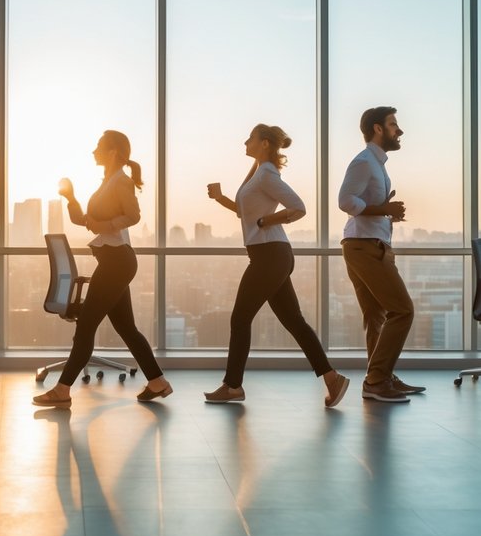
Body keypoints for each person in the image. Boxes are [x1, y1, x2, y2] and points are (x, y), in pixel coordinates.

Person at [204, 124, 350, 407]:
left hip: (270, 255)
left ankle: (233, 386)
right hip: (269, 255)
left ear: (265, 144)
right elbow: (244, 211)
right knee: (294, 321)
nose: (245, 141)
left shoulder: (267, 174)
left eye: (251, 138)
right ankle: (332, 378)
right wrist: (220, 198)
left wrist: (268, 221)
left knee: (240, 318)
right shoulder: (258, 172)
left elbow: (298, 206)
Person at [33, 130, 171, 408]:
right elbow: (85, 220)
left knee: (85, 327)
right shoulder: (109, 181)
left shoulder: (121, 181)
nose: (93, 151)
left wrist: (103, 225)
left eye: (98, 147)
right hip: (112, 262)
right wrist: (71, 198)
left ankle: (62, 390)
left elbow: (133, 216)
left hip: (117, 263)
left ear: (113, 152)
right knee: (127, 328)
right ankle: (157, 382)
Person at [337, 106, 420, 403]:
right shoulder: (364, 162)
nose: (399, 130)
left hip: (369, 243)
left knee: (376, 316)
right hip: (364, 246)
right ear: (377, 129)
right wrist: (384, 209)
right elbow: (345, 200)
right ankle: (376, 379)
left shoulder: (377, 164)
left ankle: (380, 377)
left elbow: (363, 204)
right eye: (394, 124)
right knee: (403, 310)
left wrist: (387, 213)